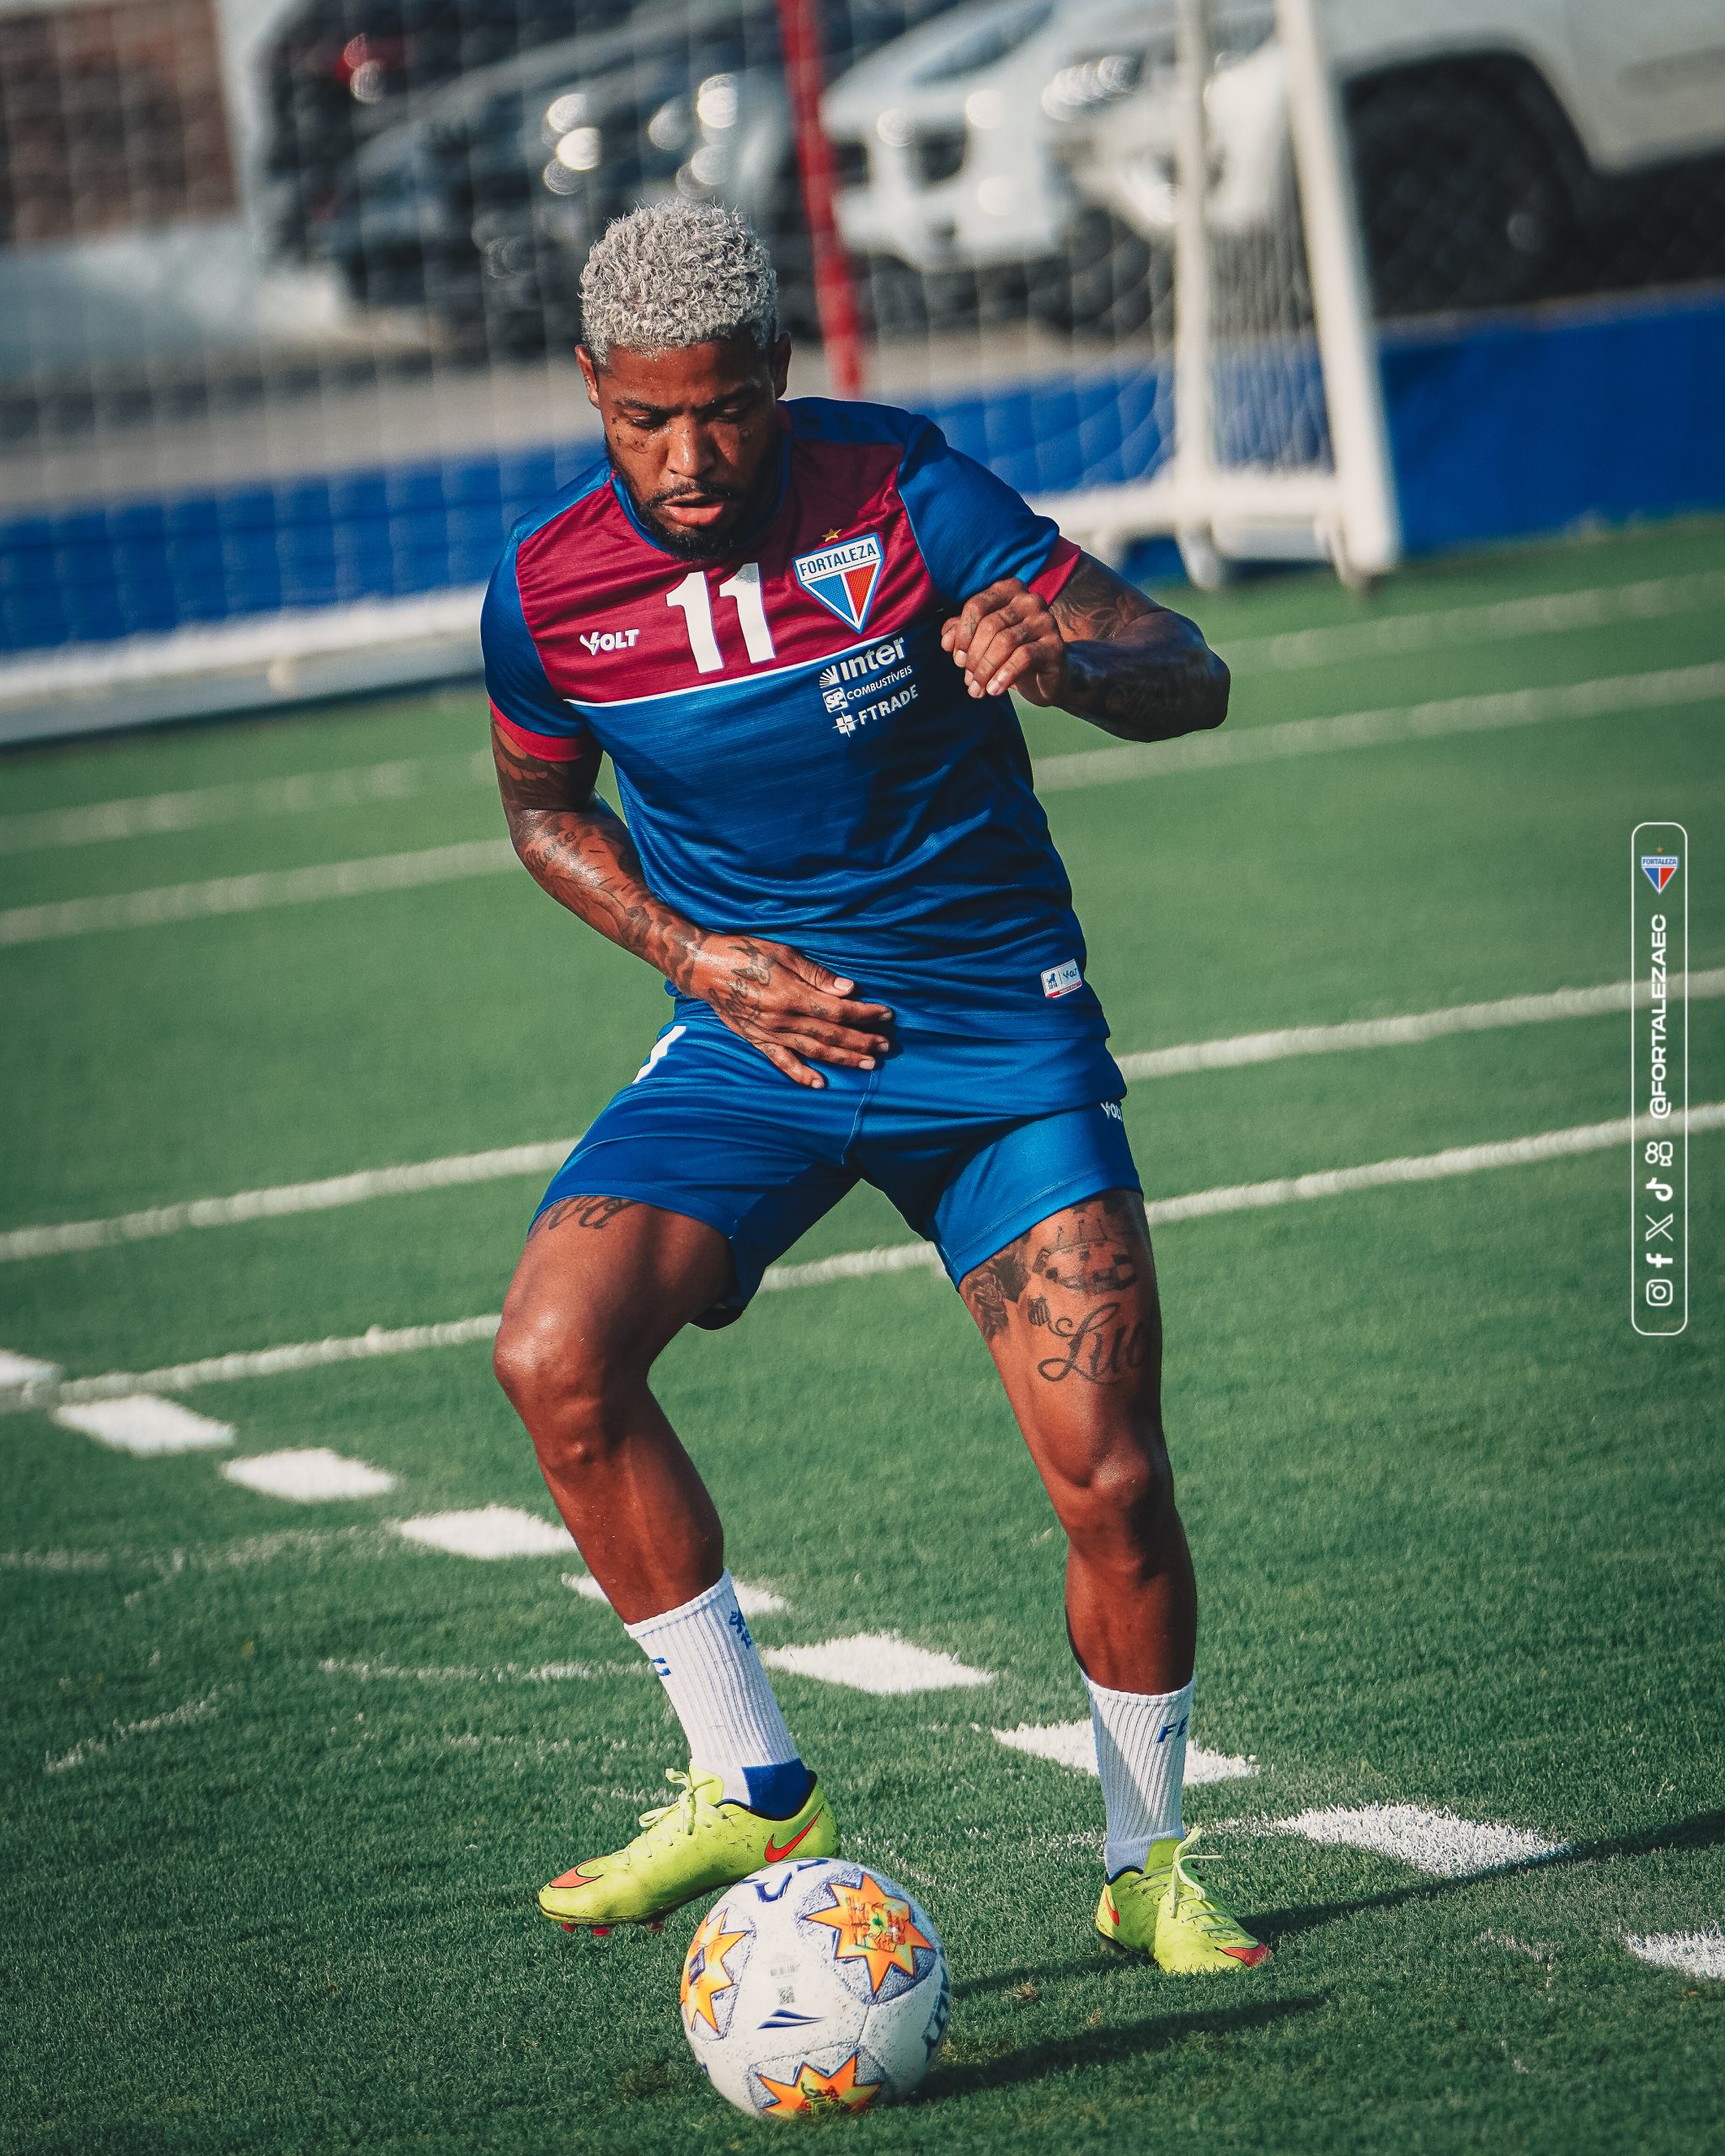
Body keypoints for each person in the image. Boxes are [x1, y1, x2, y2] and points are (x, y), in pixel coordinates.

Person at [483, 200, 1265, 1972]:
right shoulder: (544, 595)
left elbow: (1187, 668)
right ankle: (748, 1774)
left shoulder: (909, 495)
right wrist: (696, 957)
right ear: (592, 390)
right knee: (553, 1349)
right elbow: (545, 814)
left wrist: (1069, 663)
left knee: (1112, 1477)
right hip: (749, 1040)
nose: (690, 458)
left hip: (992, 1034)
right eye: (643, 418)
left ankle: (1147, 1856)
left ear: (780, 372)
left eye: (727, 408)